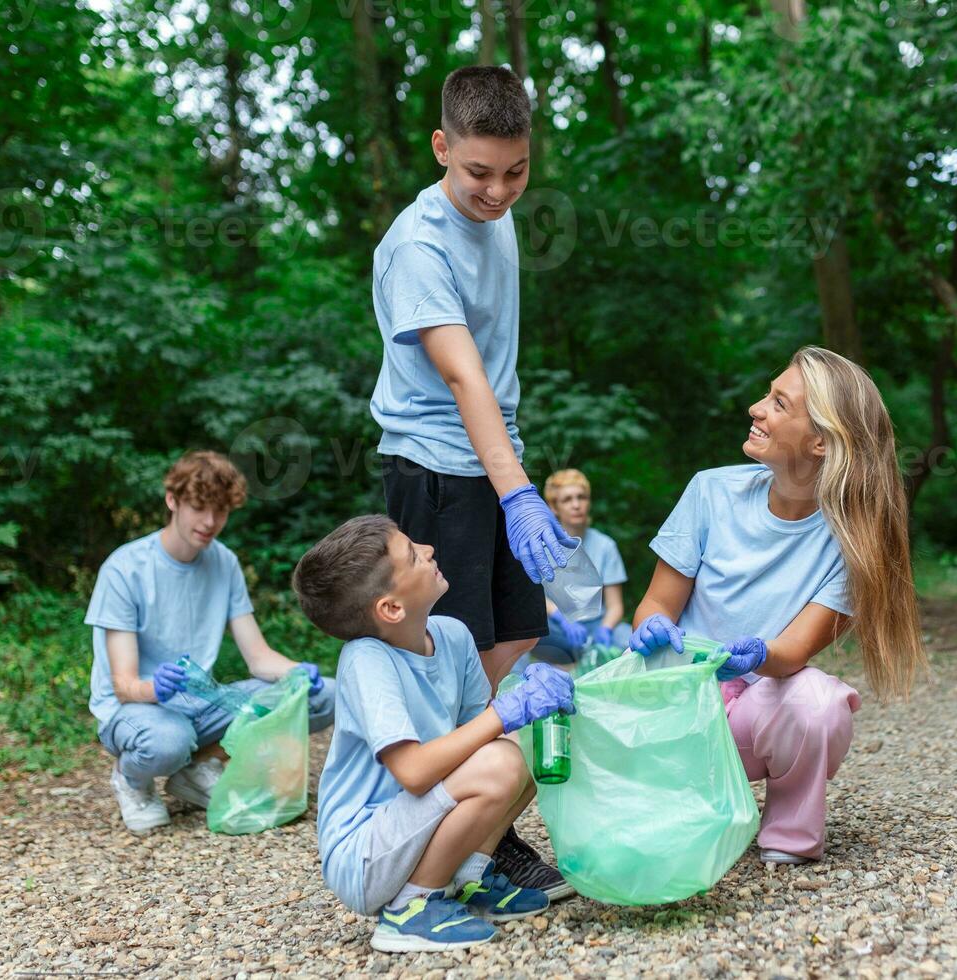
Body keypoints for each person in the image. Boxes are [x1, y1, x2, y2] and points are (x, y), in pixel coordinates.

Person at [368, 65, 572, 897]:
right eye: (478, 173)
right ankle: (462, 848)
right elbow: (464, 381)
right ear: (441, 148)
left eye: (515, 172)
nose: (497, 192)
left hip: (493, 457)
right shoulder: (416, 245)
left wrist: (513, 479)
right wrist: (520, 490)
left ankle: (471, 821)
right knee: (456, 657)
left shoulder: (501, 213)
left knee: (515, 640)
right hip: (436, 470)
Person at [627, 346, 926, 864]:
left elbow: (792, 652)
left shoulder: (854, 545)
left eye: (779, 404)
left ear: (820, 442)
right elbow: (656, 602)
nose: (756, 409)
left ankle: (789, 836)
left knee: (819, 702)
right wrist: (652, 629)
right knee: (668, 835)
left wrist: (756, 653)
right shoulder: (710, 491)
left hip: (755, 712)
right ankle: (696, 804)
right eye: (768, 395)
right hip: (681, 706)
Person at [292, 515, 575, 953]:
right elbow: (413, 771)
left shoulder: (452, 635)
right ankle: (411, 907)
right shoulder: (366, 659)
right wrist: (505, 712)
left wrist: (528, 702)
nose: (428, 549)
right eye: (412, 554)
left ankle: (466, 880)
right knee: (501, 762)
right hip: (366, 852)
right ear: (390, 608)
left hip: (416, 825)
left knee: (529, 744)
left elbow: (478, 733)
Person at [85, 451, 334, 835]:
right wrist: (155, 687)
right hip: (137, 710)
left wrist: (295, 672)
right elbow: (123, 685)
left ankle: (199, 764)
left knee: (322, 697)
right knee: (168, 740)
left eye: (220, 511)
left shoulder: (224, 562)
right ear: (172, 500)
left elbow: (259, 657)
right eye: (199, 507)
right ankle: (131, 778)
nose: (210, 522)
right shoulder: (125, 568)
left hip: (199, 705)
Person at [533, 469, 630, 664]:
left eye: (581, 497)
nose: (576, 505)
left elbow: (616, 605)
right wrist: (561, 618)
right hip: (557, 627)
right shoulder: (541, 546)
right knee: (523, 633)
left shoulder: (605, 545)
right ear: (554, 507)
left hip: (597, 625)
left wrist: (606, 628)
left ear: (589, 502)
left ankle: (595, 655)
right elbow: (534, 598)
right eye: (567, 500)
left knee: (631, 638)